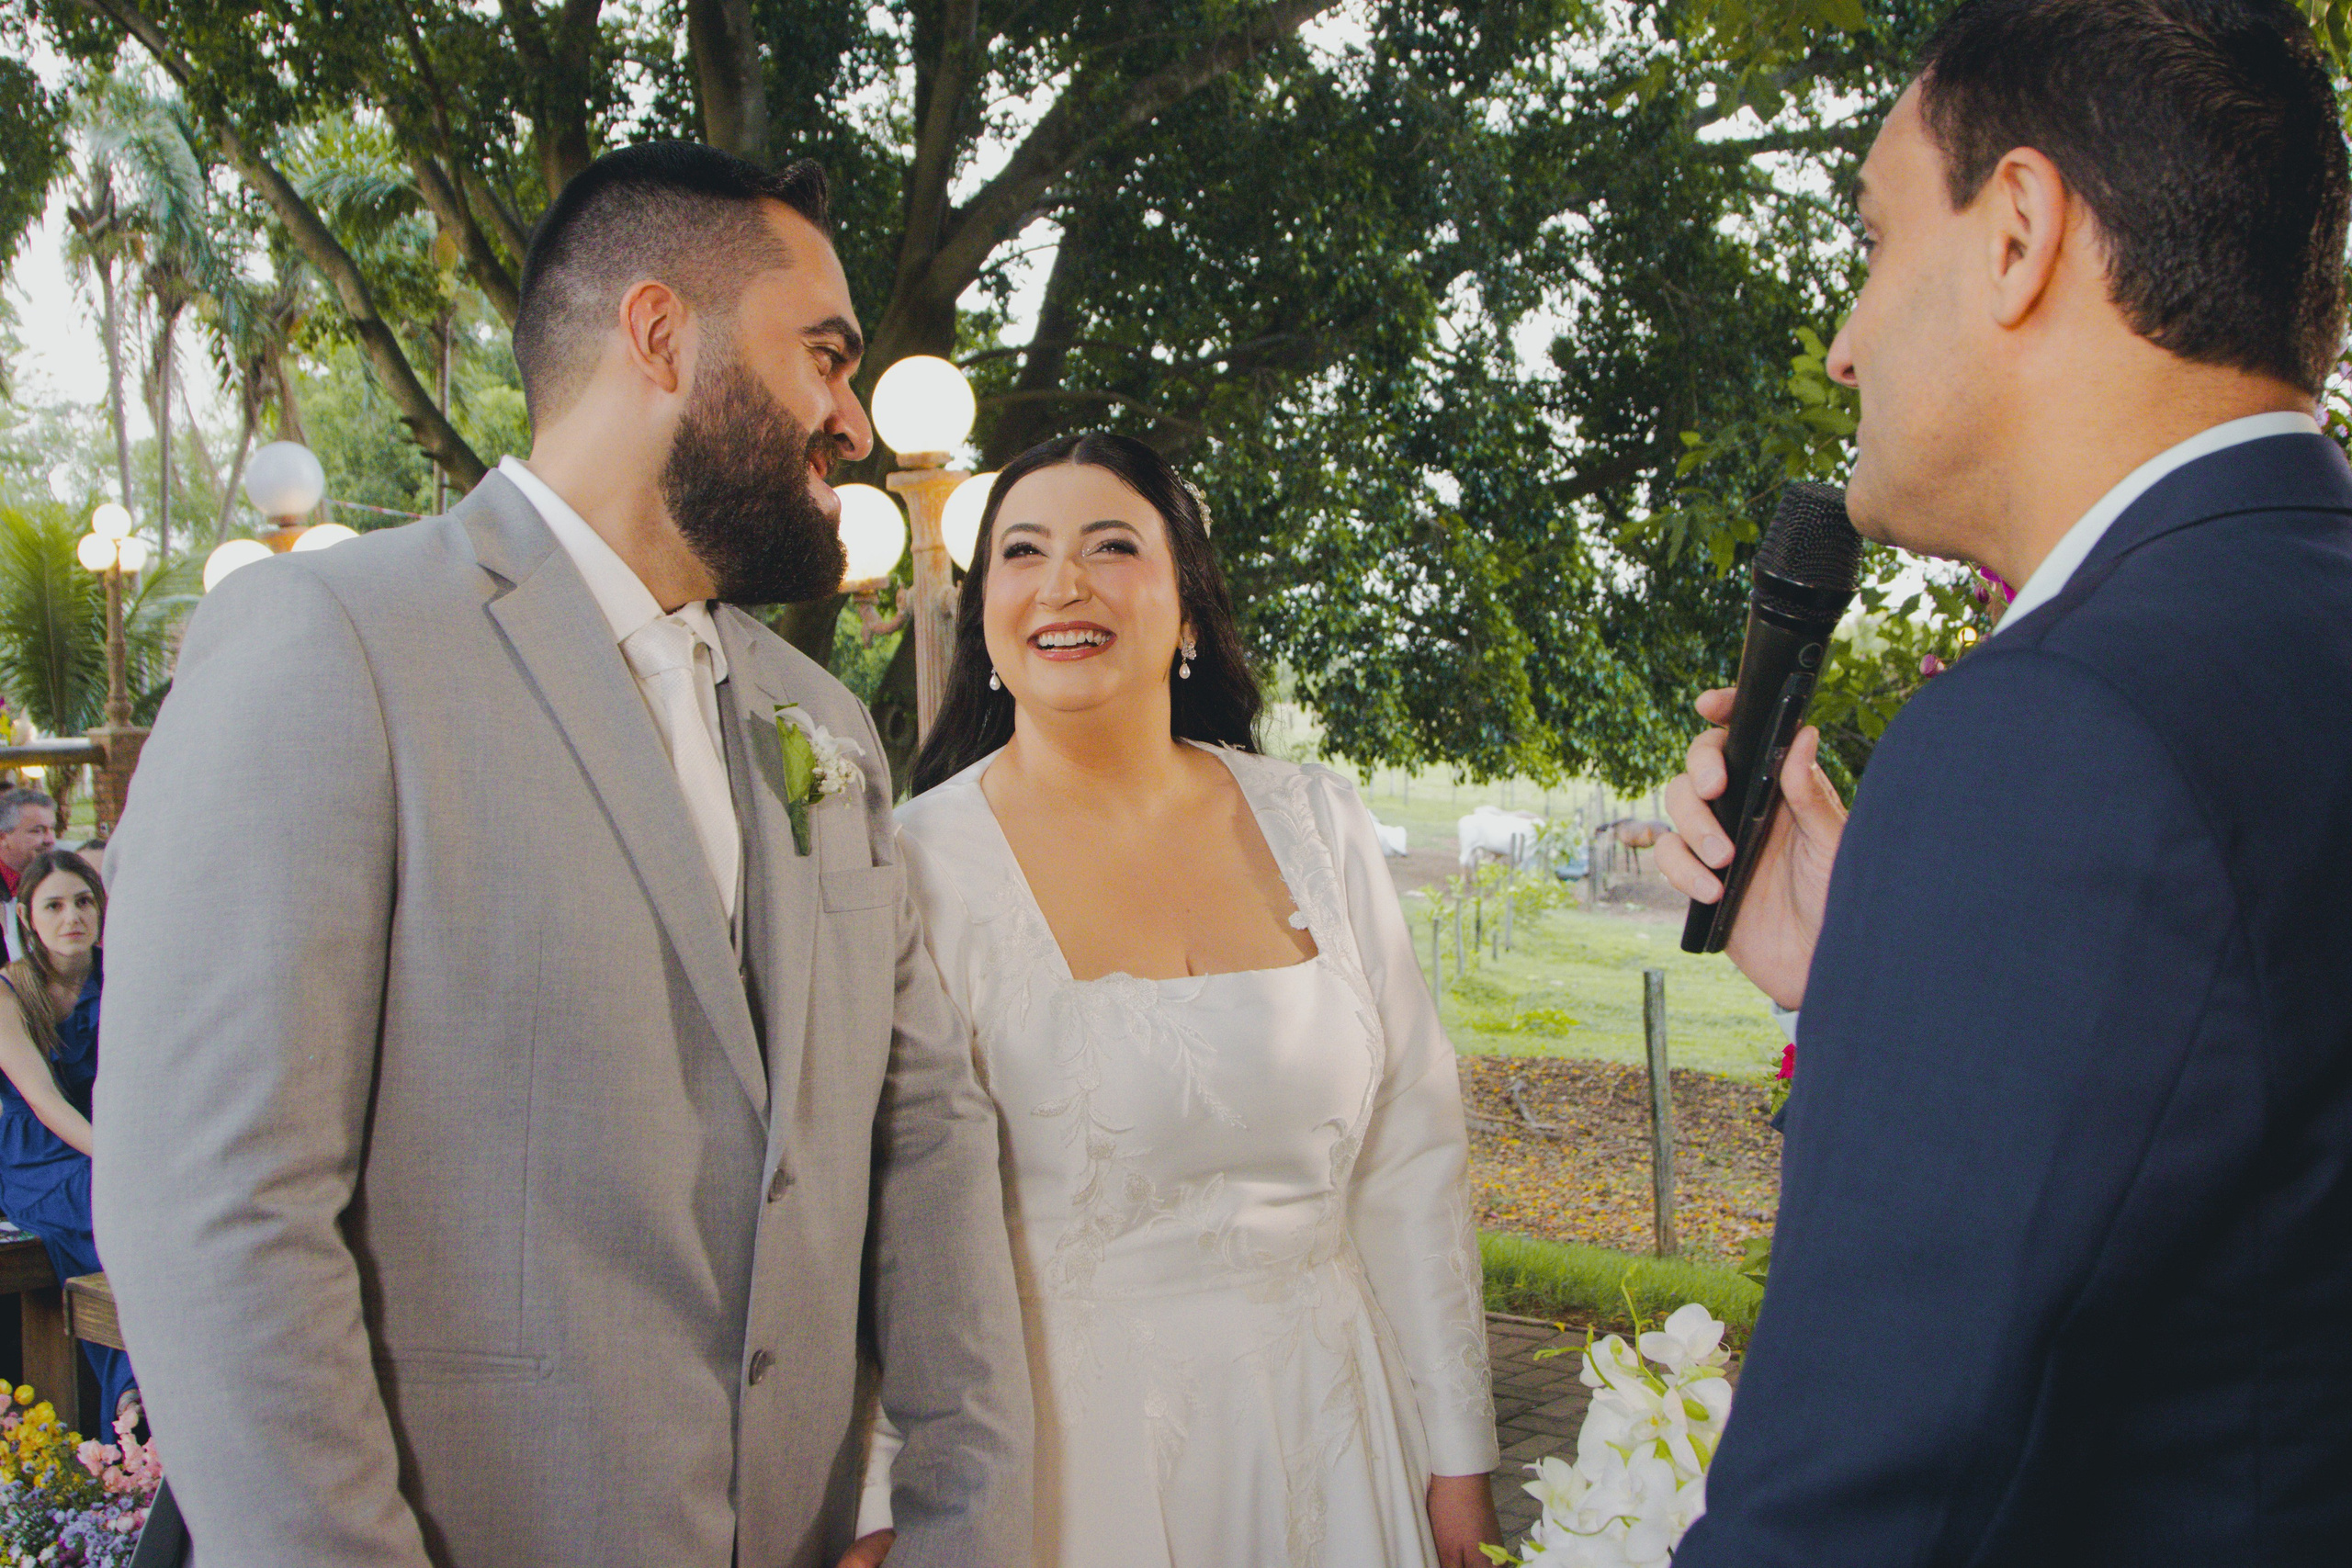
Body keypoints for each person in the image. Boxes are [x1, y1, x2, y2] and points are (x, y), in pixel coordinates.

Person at [93, 143, 1030, 1568]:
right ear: (659, 334)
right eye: (825, 357)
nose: (848, 419)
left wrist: (965, 1528)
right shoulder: (329, 644)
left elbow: (927, 1137)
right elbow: (218, 1209)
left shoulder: (823, 720)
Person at [1654, 3, 2352, 1563]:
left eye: (1874, 238)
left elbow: (1855, 1510)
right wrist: (1889, 968)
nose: (1843, 344)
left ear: (2020, 233)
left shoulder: (2056, 729)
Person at [859, 432, 1501, 1568]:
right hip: (1070, 1469)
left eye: (1111, 546)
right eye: (1022, 552)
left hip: (1337, 1432)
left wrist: (1458, 1460)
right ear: (984, 614)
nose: (1064, 583)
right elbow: (873, 1216)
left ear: (1190, 607)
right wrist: (876, 1501)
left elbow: (1411, 1151)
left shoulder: (1317, 820)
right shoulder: (910, 867)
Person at [0, 848, 132, 1424]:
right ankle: (131, 1396)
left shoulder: (122, 977)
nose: (71, 917)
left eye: (83, 901)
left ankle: (133, 1398)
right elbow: (43, 1100)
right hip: (35, 1153)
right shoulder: (10, 992)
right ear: (27, 917)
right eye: (53, 905)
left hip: (109, 1142)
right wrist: (120, 1162)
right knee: (109, 1201)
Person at [0, 788, 58, 963]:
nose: (50, 840)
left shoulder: (59, 877)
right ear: (3, 838)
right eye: (37, 831)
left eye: (52, 829)